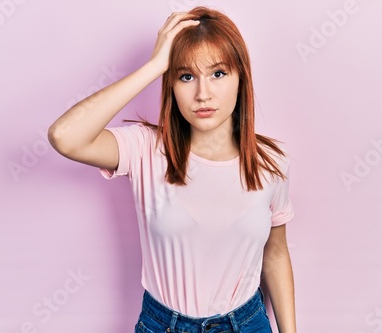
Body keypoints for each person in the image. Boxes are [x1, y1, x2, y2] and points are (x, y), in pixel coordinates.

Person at [48, 6, 297, 333]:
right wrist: (154, 65)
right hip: (164, 325)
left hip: (247, 323)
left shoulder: (271, 162)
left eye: (218, 74)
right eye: (186, 76)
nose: (203, 93)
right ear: (172, 84)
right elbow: (64, 137)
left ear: (241, 79)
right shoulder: (145, 148)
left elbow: (276, 254)